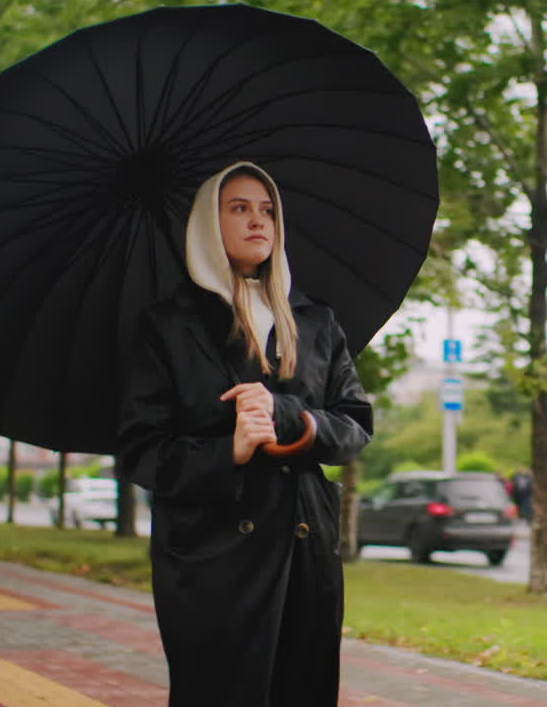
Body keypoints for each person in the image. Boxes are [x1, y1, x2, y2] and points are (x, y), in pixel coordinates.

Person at [117, 162, 372, 706]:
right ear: (209, 224)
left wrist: (297, 421)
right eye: (239, 208)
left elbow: (355, 423)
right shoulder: (168, 323)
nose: (259, 220)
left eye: (267, 209)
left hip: (305, 544)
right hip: (212, 553)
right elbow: (141, 450)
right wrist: (226, 450)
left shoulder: (315, 320)